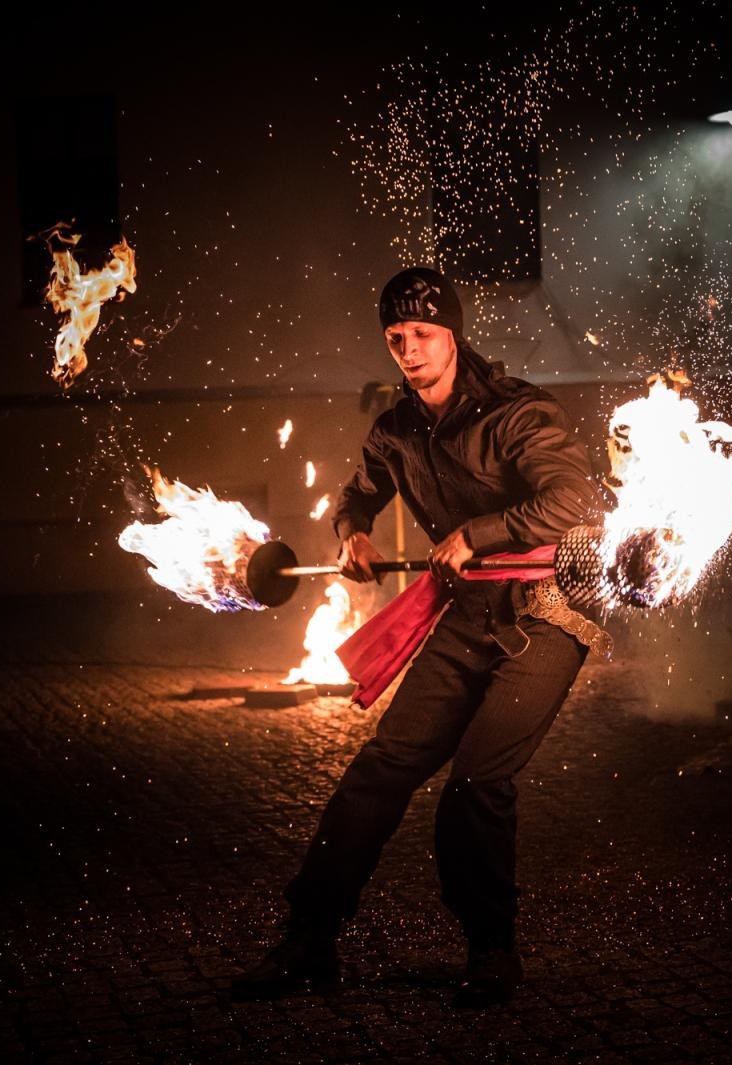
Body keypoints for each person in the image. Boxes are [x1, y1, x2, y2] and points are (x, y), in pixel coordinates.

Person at [230, 267, 610, 1008]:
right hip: (469, 614)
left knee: (475, 782)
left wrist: (482, 531)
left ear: (454, 334)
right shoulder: (397, 429)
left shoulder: (517, 413)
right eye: (395, 337)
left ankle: (492, 948)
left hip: (548, 610)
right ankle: (310, 936)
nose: (409, 349)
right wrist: (352, 531)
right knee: (383, 764)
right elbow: (359, 490)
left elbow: (573, 498)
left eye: (424, 334)